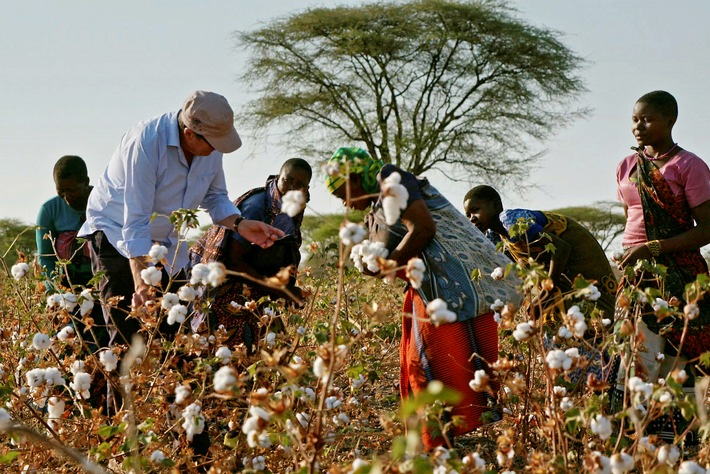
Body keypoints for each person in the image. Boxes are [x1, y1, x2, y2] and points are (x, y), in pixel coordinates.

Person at [325, 147, 521, 449]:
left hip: (449, 286)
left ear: (356, 175)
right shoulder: (375, 212)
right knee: (421, 363)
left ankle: (437, 444)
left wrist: (389, 263)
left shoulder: (391, 178)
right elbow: (392, 250)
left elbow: (424, 228)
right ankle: (437, 443)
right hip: (430, 289)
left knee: (427, 361)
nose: (343, 201)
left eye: (342, 191)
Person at [78, 90, 284, 347]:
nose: (217, 150)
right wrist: (143, 284)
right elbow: (136, 222)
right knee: (127, 339)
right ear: (189, 134)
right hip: (116, 234)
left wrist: (240, 224)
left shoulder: (210, 144)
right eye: (213, 145)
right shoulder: (145, 143)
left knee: (172, 334)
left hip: (166, 242)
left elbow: (215, 196)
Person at [615, 91, 710, 441]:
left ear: (670, 121)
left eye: (648, 119)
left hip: (680, 273)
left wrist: (653, 248)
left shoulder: (689, 166)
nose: (639, 126)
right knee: (634, 353)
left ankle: (682, 438)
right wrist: (635, 253)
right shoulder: (627, 166)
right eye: (635, 119)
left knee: (678, 356)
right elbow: (632, 219)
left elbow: (707, 230)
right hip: (635, 273)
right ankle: (639, 436)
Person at [189, 158, 312, 352]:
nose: (292, 188)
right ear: (279, 177)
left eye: (299, 185)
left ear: (306, 189)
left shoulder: (295, 209)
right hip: (226, 280)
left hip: (255, 282)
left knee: (277, 348)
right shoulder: (256, 207)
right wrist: (279, 289)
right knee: (231, 348)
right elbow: (233, 261)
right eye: (288, 180)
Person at [463, 185, 617, 319]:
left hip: (580, 261)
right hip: (559, 278)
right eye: (468, 215)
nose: (472, 218)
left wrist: (545, 294)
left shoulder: (511, 219)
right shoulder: (497, 237)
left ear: (495, 205)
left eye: (476, 210)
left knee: (595, 314)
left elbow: (561, 248)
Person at [37, 155, 107, 349]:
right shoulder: (49, 210)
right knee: (68, 345)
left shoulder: (103, 203)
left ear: (86, 182)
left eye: (73, 190)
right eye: (62, 192)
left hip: (101, 284)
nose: (67, 197)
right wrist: (56, 295)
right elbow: (45, 258)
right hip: (66, 288)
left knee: (102, 342)